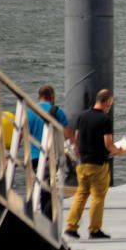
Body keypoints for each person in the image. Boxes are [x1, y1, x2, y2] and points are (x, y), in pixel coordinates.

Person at [64, 89, 126, 239]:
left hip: (82, 163)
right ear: (105, 101)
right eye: (110, 104)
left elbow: (77, 138)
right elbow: (108, 144)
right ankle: (94, 229)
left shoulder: (82, 116)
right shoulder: (105, 119)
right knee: (98, 197)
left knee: (81, 194)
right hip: (98, 163)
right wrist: (120, 151)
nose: (110, 107)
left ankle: (71, 227)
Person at [25, 85, 74, 219]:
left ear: (39, 96)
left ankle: (43, 217)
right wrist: (75, 145)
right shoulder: (55, 111)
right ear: (51, 96)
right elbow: (67, 133)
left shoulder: (28, 111)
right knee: (52, 189)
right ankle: (47, 219)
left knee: (41, 187)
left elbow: (21, 134)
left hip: (33, 156)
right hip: (49, 156)